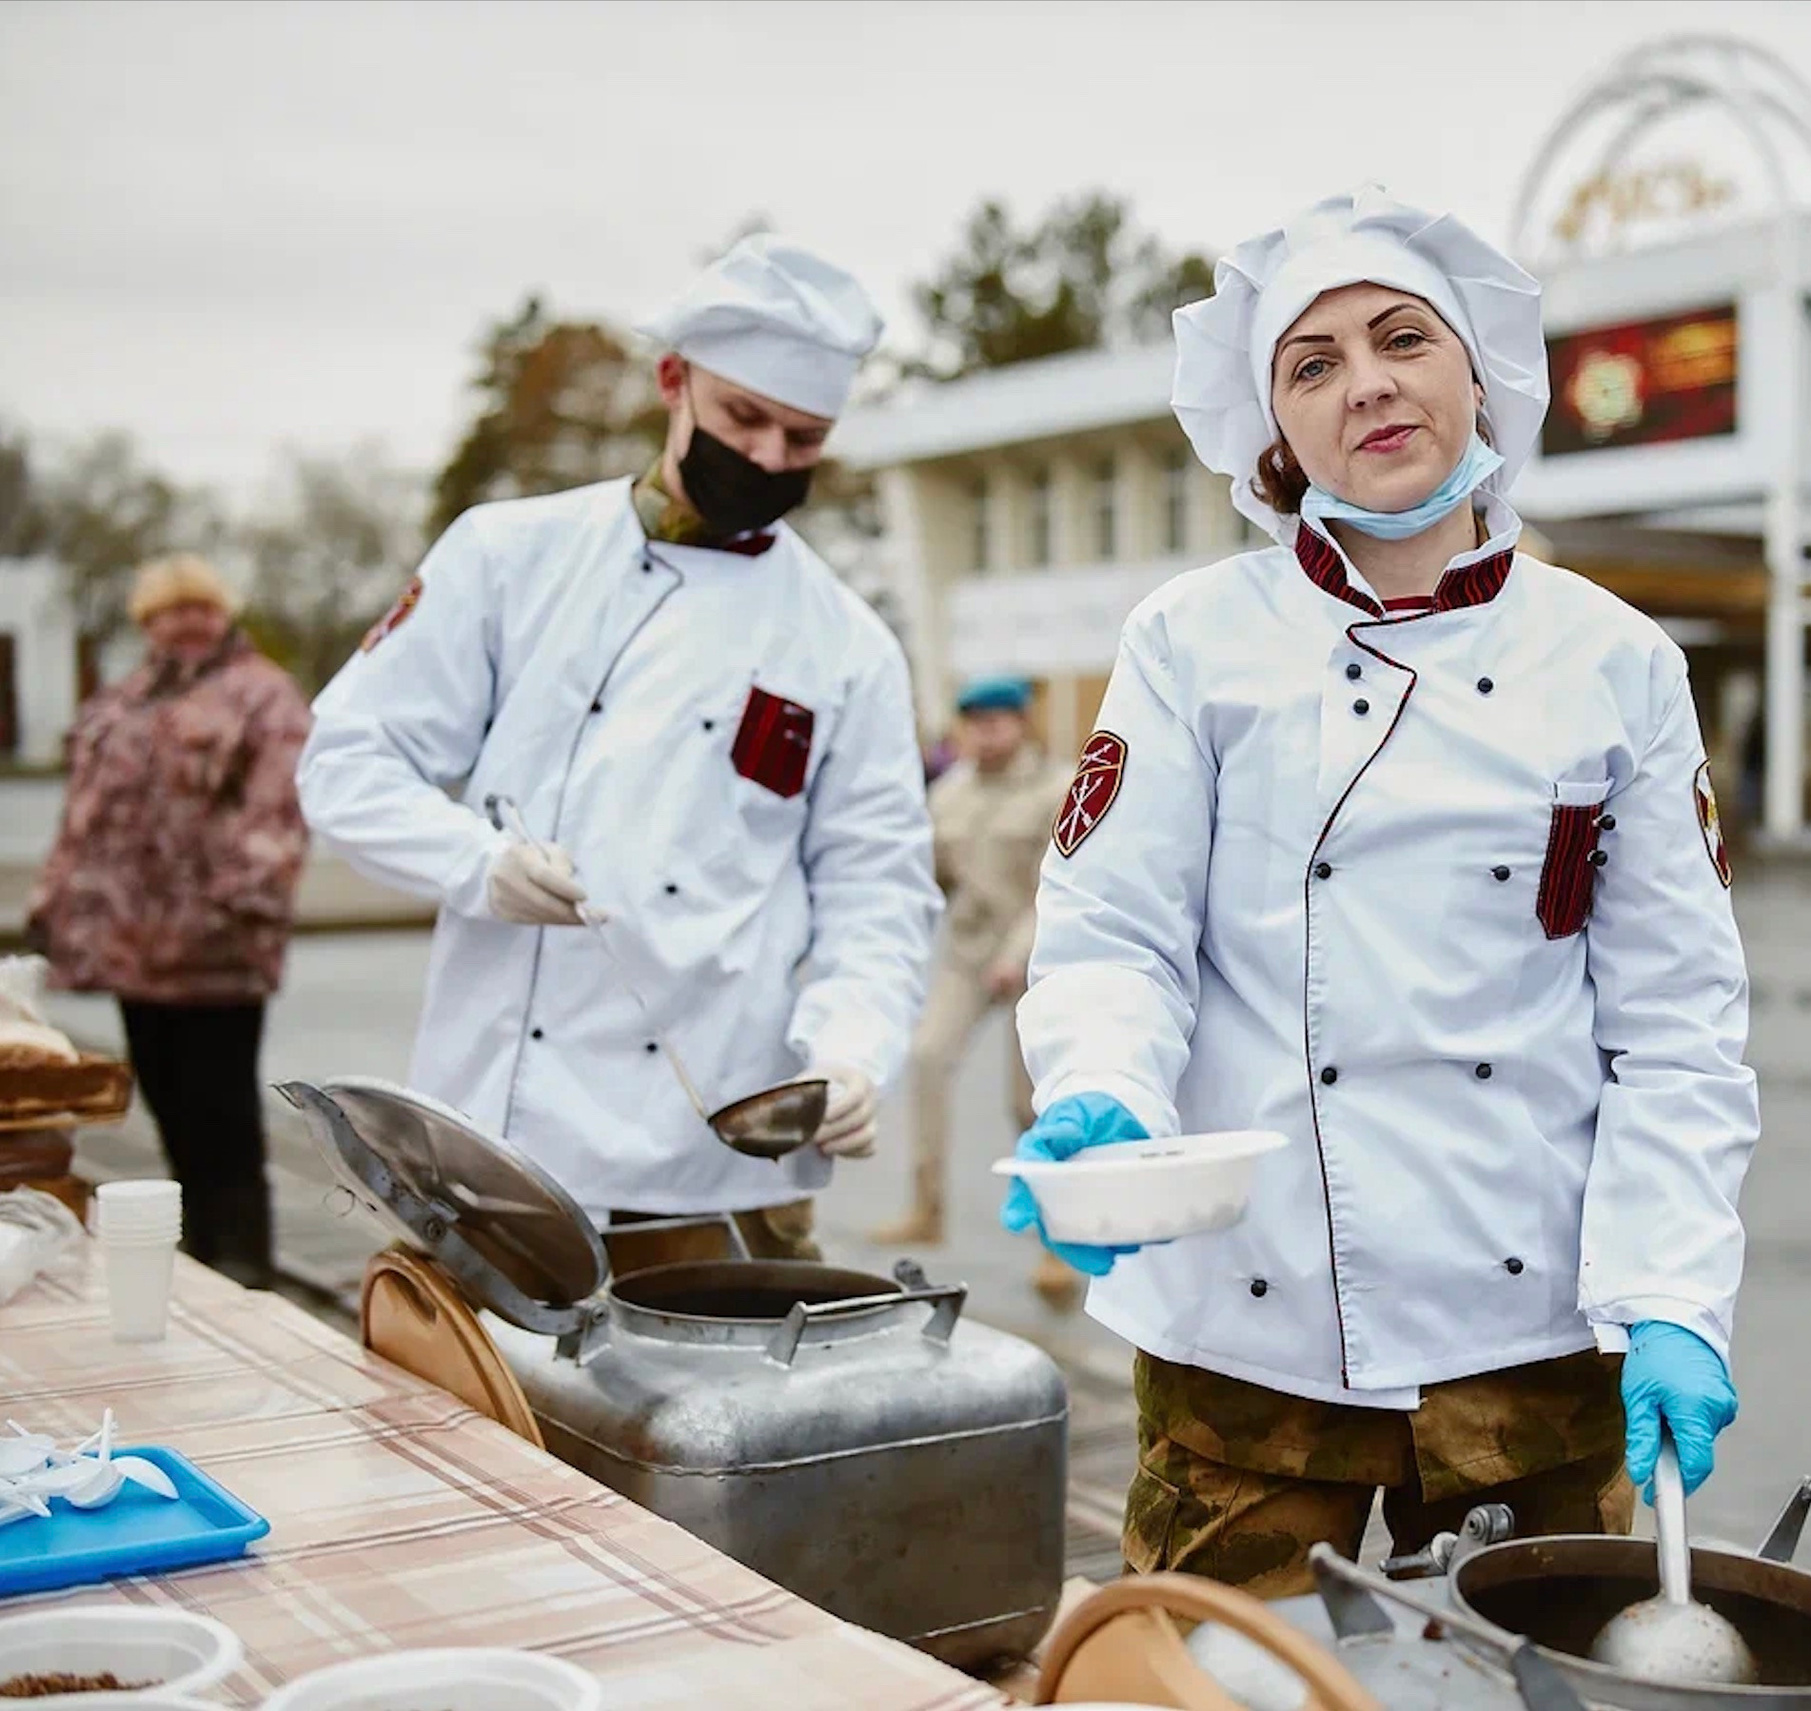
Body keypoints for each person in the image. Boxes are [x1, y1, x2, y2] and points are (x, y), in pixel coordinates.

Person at [1003, 188, 1758, 1595]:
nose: (1369, 382)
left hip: (1532, 1325)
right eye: (1314, 363)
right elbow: (1115, 929)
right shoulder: (1190, 641)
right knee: (1211, 1683)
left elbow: (1675, 1021)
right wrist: (1101, 1091)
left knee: (1546, 1686)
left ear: (1480, 369)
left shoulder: (1617, 658)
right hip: (1249, 1321)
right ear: (1273, 432)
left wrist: (1673, 1295)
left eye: (1401, 337)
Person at [297, 235, 938, 1260]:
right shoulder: (508, 557)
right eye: (744, 418)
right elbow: (345, 762)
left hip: (722, 1166)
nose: (770, 456)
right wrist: (481, 865)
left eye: (804, 437)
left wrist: (852, 1055)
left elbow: (879, 889)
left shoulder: (846, 641)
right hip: (500, 1145)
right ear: (673, 381)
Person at [29, 554, 312, 1286]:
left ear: (224, 614)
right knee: (170, 1111)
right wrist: (54, 902)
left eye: (200, 609)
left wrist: (232, 902)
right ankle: (194, 1263)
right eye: (168, 611)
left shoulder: (264, 695)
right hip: (129, 951)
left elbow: (280, 808)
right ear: (145, 623)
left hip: (216, 955)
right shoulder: (121, 702)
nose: (186, 624)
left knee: (225, 1117)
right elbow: (83, 815)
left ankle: (247, 1265)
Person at [870, 675, 1070, 1272]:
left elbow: (1057, 888)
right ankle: (927, 1208)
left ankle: (1056, 1243)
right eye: (976, 723)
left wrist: (1019, 953)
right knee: (928, 1056)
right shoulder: (948, 797)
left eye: (998, 722)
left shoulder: (1056, 790)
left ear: (1021, 723)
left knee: (1029, 1102)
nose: (986, 734)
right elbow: (928, 882)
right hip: (967, 952)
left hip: (1035, 956)